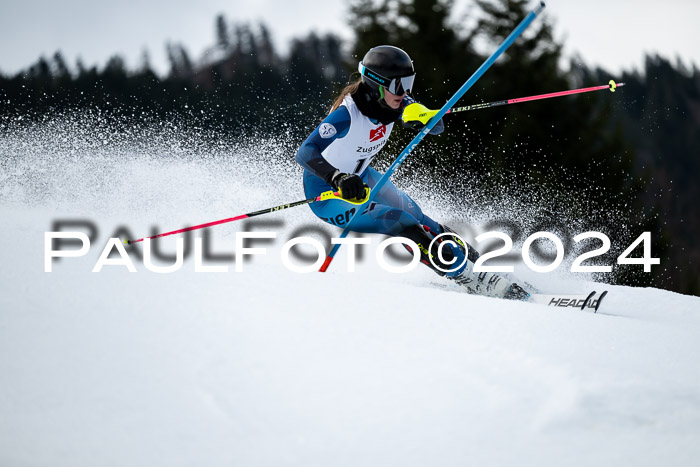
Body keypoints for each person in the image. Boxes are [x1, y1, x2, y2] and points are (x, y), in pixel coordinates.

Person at [295, 45, 529, 300]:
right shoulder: (346, 115)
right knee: (399, 220)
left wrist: (425, 118)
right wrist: (337, 177)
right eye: (399, 85)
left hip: (362, 178)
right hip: (329, 191)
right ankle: (468, 277)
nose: (405, 92)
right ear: (376, 85)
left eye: (409, 83)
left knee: (420, 217)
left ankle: (485, 268)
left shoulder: (397, 101)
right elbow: (305, 151)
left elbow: (436, 126)